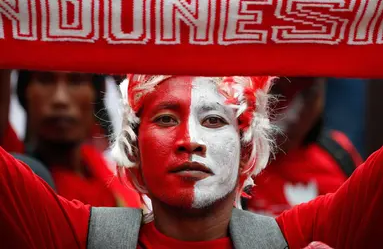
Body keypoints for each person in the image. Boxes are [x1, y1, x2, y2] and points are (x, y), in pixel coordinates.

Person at [0, 74, 382, 249]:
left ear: (246, 153)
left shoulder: (301, 239)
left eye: (214, 120)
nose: (189, 141)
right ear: (133, 151)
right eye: (166, 119)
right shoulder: (75, 237)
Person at [0, 70, 140, 208]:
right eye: (45, 80)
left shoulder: (110, 171)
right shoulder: (12, 174)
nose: (60, 99)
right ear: (24, 93)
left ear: (96, 95)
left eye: (77, 81)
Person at [246, 78, 363, 215]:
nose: (294, 116)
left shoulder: (339, 153)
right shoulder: (237, 165)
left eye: (308, 94)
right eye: (277, 93)